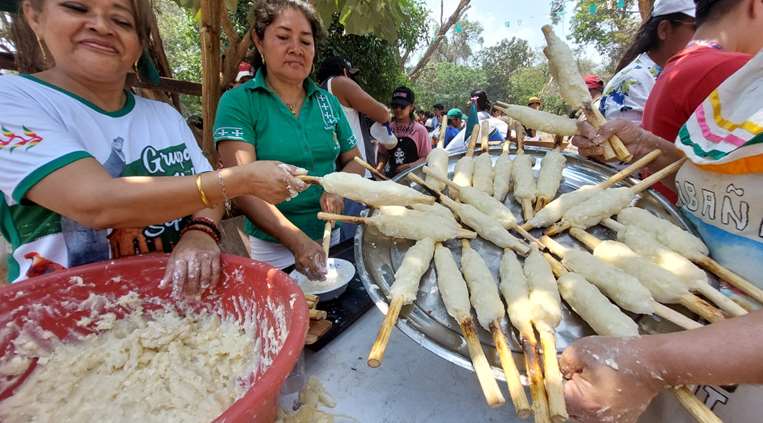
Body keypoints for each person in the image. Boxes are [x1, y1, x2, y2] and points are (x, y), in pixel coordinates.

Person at [0, 0, 304, 292]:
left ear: (140, 41)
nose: (101, 26)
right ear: (34, 15)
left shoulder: (165, 117)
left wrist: (200, 231)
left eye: (121, 20)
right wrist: (242, 178)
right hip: (62, 321)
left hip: (179, 311)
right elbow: (93, 202)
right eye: (77, 8)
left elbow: (209, 197)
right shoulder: (12, 99)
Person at [566, 49, 763, 423]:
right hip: (665, 354)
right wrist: (649, 149)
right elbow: (727, 197)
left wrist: (654, 362)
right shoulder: (751, 76)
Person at [214, 0, 364, 280]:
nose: (296, 49)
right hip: (275, 247)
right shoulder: (238, 102)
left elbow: (354, 160)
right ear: (259, 41)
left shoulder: (327, 101)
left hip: (334, 232)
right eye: (283, 37)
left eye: (305, 41)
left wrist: (339, 187)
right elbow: (241, 186)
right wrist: (296, 240)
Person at [599, 0, 696, 124]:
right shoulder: (634, 84)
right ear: (664, 29)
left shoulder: (676, 77)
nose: (706, 36)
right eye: (696, 27)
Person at [316, 55, 393, 176]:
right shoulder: (340, 82)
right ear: (345, 72)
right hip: (357, 171)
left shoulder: (317, 93)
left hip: (333, 172)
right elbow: (383, 115)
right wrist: (386, 112)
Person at [378, 86, 431, 177]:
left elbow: (427, 158)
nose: (398, 109)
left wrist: (410, 166)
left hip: (414, 181)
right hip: (392, 179)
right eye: (395, 106)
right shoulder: (387, 129)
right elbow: (383, 154)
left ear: (411, 107)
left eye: (402, 106)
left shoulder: (420, 130)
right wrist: (379, 168)